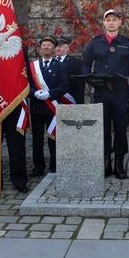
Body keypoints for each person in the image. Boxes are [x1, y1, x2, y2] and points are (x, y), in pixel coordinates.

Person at [81, 9, 129, 179]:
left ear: (120, 22)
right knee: (103, 129)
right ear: (103, 23)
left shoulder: (128, 44)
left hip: (121, 92)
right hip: (101, 91)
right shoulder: (95, 43)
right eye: (108, 20)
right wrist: (90, 80)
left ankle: (119, 164)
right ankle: (106, 163)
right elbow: (85, 63)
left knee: (120, 129)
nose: (111, 22)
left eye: (114, 19)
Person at [28, 35, 68, 176]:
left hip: (53, 107)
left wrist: (49, 94)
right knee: (37, 139)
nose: (46, 47)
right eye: (43, 45)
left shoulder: (61, 66)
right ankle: (38, 166)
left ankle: (55, 164)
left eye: (49, 45)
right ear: (40, 48)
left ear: (54, 48)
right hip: (37, 107)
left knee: (54, 137)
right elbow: (26, 85)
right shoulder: (33, 66)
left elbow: (64, 86)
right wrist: (34, 93)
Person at [55, 34, 85, 104]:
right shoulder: (50, 61)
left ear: (67, 48)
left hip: (69, 100)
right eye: (56, 46)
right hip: (53, 100)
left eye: (60, 46)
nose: (57, 49)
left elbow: (79, 85)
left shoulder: (75, 62)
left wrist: (79, 103)